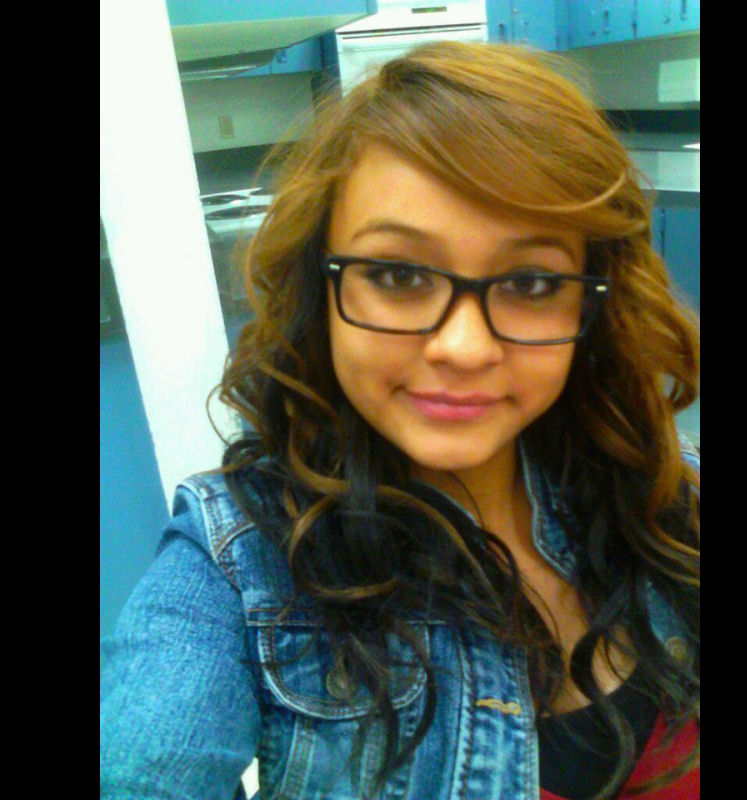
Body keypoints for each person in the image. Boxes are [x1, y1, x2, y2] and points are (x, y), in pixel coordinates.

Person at [100, 40, 700, 800]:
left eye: (531, 283)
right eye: (398, 274)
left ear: (588, 305)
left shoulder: (666, 493)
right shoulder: (238, 566)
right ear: (322, 289)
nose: (463, 348)